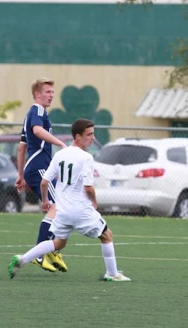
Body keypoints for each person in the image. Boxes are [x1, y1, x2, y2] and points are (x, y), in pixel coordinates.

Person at [8, 118, 131, 282]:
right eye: (89, 134)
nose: (92, 138)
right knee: (107, 235)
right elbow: (88, 188)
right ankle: (112, 273)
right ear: (78, 136)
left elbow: (44, 182)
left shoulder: (59, 154)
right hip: (80, 210)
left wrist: (45, 201)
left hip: (62, 210)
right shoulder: (86, 157)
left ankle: (22, 259)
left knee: (58, 243)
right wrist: (94, 202)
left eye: (93, 134)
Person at [14, 78, 68, 273]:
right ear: (37, 94)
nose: (51, 95)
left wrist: (20, 176)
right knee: (56, 206)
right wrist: (61, 143)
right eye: (47, 92)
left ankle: (51, 249)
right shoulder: (37, 110)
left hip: (33, 168)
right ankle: (41, 252)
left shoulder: (31, 114)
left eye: (53, 92)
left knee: (57, 207)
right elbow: (37, 131)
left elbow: (21, 148)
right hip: (39, 167)